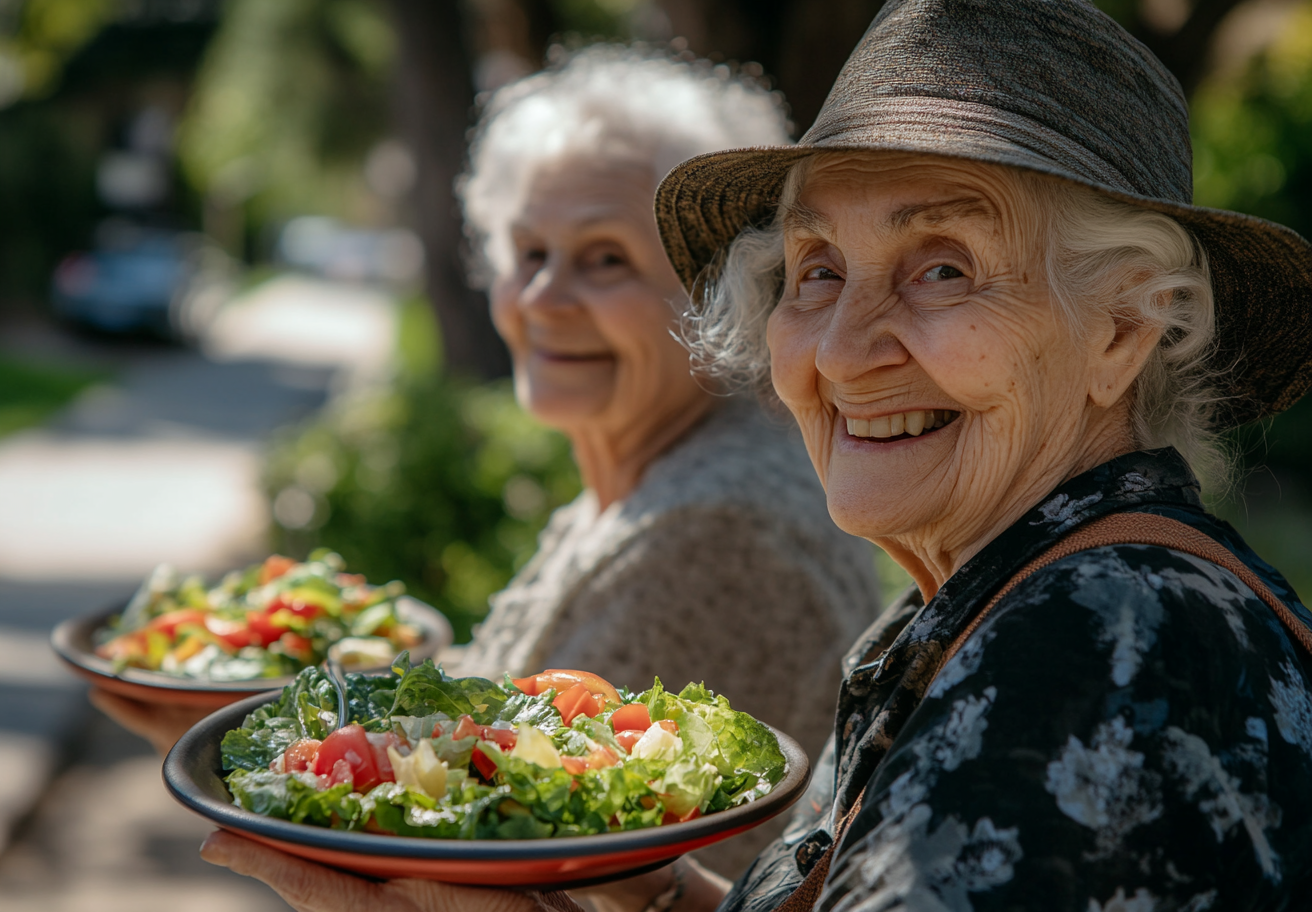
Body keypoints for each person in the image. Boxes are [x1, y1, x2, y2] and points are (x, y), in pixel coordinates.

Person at [203, 1, 1312, 908]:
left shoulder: (1098, 647)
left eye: (942, 267)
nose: (842, 347)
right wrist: (643, 897)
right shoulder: (988, 601)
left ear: (1121, 331)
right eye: (816, 267)